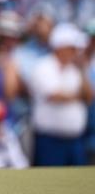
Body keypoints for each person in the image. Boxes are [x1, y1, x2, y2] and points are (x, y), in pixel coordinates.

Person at [29, 23, 93, 166]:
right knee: (50, 186)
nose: (77, 52)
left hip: (75, 141)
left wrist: (82, 70)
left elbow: (89, 97)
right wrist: (78, 96)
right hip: (50, 141)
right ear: (61, 47)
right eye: (73, 48)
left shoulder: (76, 70)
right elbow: (55, 96)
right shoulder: (43, 66)